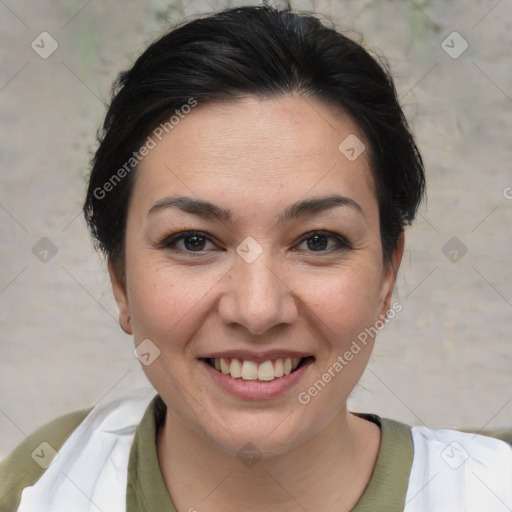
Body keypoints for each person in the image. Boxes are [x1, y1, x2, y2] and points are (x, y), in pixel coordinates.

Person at [1, 4, 511, 511]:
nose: (258, 310)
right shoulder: (42, 483)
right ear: (120, 279)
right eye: (193, 241)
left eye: (318, 241)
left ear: (386, 276)